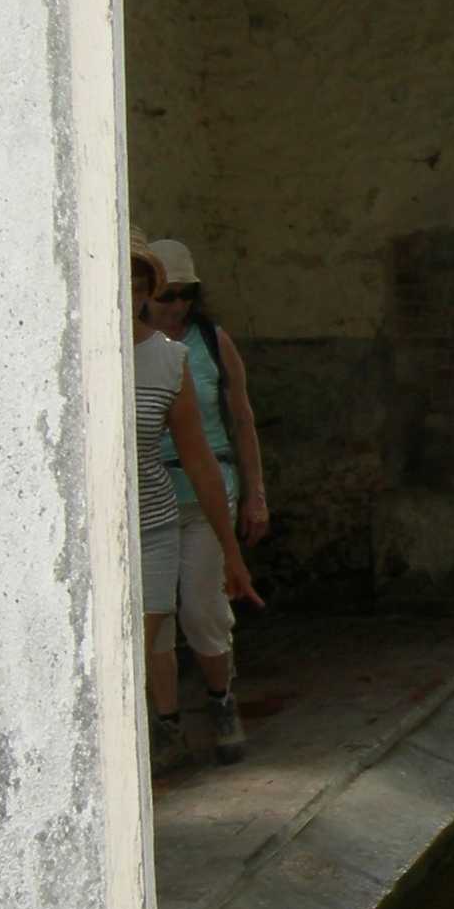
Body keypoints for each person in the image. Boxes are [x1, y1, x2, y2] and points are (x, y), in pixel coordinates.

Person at [129, 236, 259, 776]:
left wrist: (243, 522)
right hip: (132, 509)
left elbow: (218, 438)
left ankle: (217, 699)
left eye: (185, 294)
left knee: (200, 609)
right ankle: (164, 724)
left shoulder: (185, 354)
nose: (175, 304)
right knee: (149, 630)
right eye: (167, 294)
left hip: (180, 504)